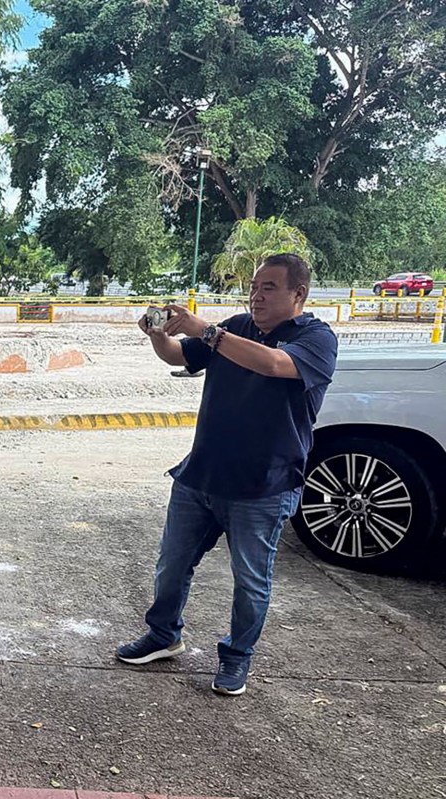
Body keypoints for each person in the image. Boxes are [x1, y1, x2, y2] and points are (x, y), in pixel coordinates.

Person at [116, 253, 337, 696]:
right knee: (171, 565)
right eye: (254, 287)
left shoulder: (316, 338)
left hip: (263, 485)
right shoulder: (236, 327)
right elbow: (179, 354)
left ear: (299, 293)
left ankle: (237, 657)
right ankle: (163, 635)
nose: (257, 296)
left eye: (269, 287)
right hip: (201, 474)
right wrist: (158, 335)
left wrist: (207, 331)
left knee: (250, 581)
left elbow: (273, 364)